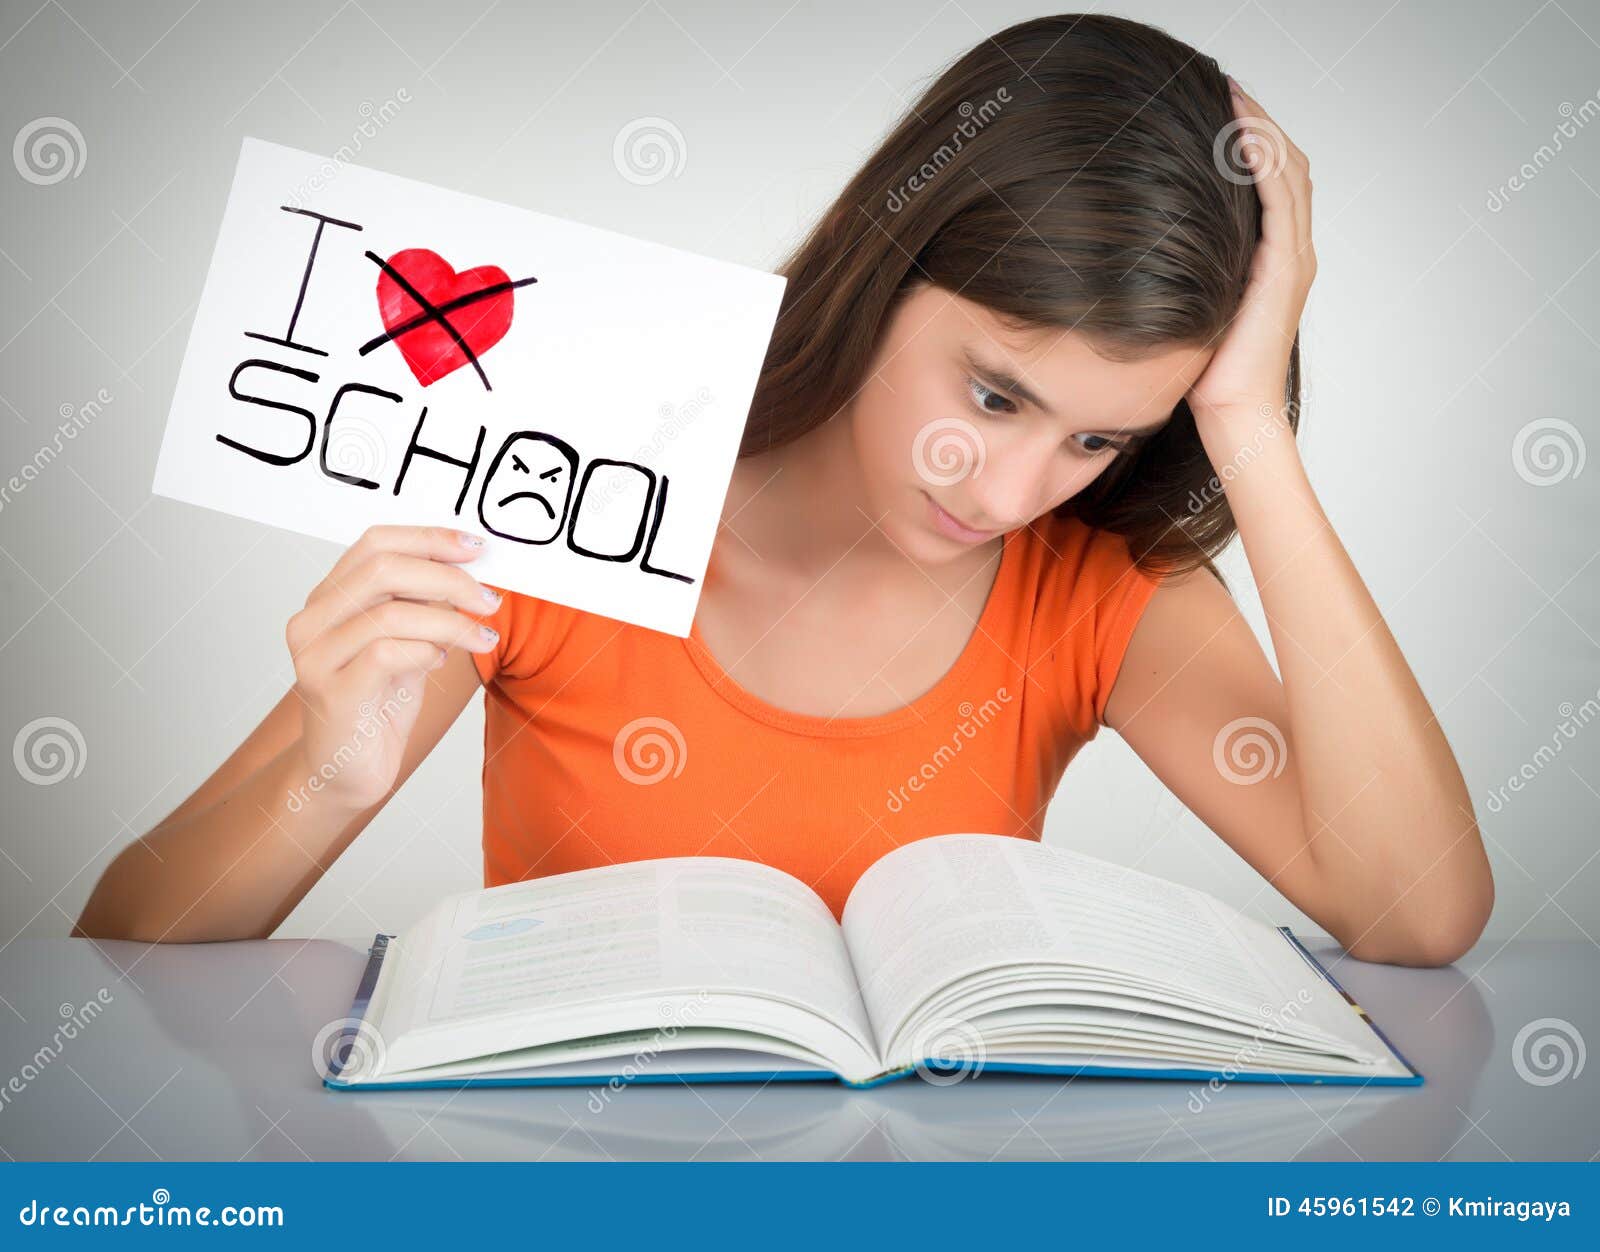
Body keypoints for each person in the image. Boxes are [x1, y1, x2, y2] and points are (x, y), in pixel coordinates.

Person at [76, 13, 1492, 964]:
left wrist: (1248, 420)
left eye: (1097, 439)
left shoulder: (1101, 581)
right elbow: (125, 954)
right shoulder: (577, 483)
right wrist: (336, 775)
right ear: (889, 269)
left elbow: (1414, 919)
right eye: (994, 394)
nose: (1008, 489)